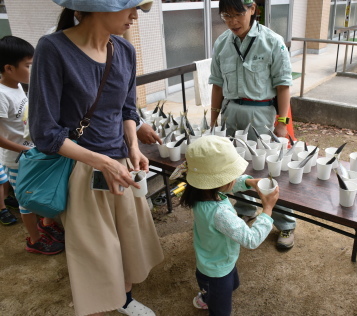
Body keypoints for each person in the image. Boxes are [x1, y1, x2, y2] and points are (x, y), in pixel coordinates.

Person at [28, 1, 164, 315]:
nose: (135, 14)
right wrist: (101, 161)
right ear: (95, 6)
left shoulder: (125, 50)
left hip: (120, 164)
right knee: (97, 246)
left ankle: (125, 298)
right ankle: (108, 301)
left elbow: (128, 110)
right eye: (129, 6)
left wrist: (132, 147)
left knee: (128, 235)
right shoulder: (53, 50)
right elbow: (45, 132)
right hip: (81, 168)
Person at [209, 0, 296, 249]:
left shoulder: (272, 41)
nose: (232, 21)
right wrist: (214, 119)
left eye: (237, 14)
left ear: (252, 9)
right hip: (231, 114)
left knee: (270, 171)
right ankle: (246, 209)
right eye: (226, 15)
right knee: (235, 168)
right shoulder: (222, 43)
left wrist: (281, 123)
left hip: (262, 115)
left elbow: (283, 85)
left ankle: (286, 224)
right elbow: (216, 84)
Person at [179, 135, 279, 315]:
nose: (235, 178)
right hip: (217, 272)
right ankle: (206, 298)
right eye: (233, 176)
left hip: (213, 258)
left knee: (231, 284)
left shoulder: (198, 192)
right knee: (221, 310)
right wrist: (268, 210)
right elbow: (251, 239)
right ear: (219, 182)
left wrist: (247, 182)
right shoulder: (221, 214)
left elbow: (224, 186)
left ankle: (207, 294)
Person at [0, 35, 65, 253]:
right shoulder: (1, 94)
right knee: (26, 200)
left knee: (43, 190)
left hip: (33, 153)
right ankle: (35, 240)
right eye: (29, 65)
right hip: (18, 159)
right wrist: (25, 150)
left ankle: (46, 223)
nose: (34, 69)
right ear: (9, 68)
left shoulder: (19, 86)